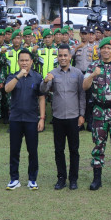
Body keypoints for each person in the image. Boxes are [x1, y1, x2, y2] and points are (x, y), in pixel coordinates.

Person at [83, 37, 111, 191]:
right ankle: (97, 179)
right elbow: (84, 86)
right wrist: (93, 75)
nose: (106, 50)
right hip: (99, 112)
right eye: (103, 48)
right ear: (99, 50)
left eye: (109, 48)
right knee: (98, 146)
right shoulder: (93, 66)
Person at [39, 44, 85, 190]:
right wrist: (45, 81)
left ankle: (73, 179)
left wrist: (82, 114)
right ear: (57, 57)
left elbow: (82, 95)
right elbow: (43, 90)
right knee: (59, 149)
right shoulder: (53, 73)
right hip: (58, 117)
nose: (63, 58)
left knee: (74, 150)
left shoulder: (78, 73)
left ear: (70, 56)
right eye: (60, 55)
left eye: (65, 55)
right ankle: (61, 178)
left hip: (73, 117)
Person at [4, 49, 45, 190]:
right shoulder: (12, 76)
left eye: (27, 60)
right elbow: (7, 89)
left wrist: (42, 118)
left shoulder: (37, 77)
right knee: (14, 150)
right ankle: (14, 179)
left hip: (32, 119)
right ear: (18, 62)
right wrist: (19, 76)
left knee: (32, 151)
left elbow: (41, 98)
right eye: (21, 60)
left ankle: (32, 179)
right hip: (15, 119)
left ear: (31, 62)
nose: (24, 63)